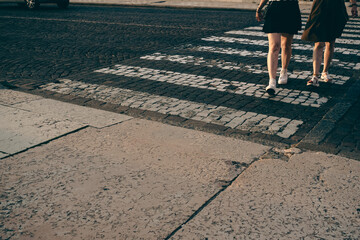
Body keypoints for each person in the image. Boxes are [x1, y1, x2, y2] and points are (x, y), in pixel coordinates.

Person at [302, 0, 358, 86]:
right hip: (320, 6)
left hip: (335, 7)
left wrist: (353, 4)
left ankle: (325, 72)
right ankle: (315, 76)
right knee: (319, 43)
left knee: (330, 42)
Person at [256, 0, 302, 95]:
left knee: (286, 45)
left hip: (290, 7)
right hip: (275, 7)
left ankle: (284, 71)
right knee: (274, 46)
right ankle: (272, 81)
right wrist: (259, 8)